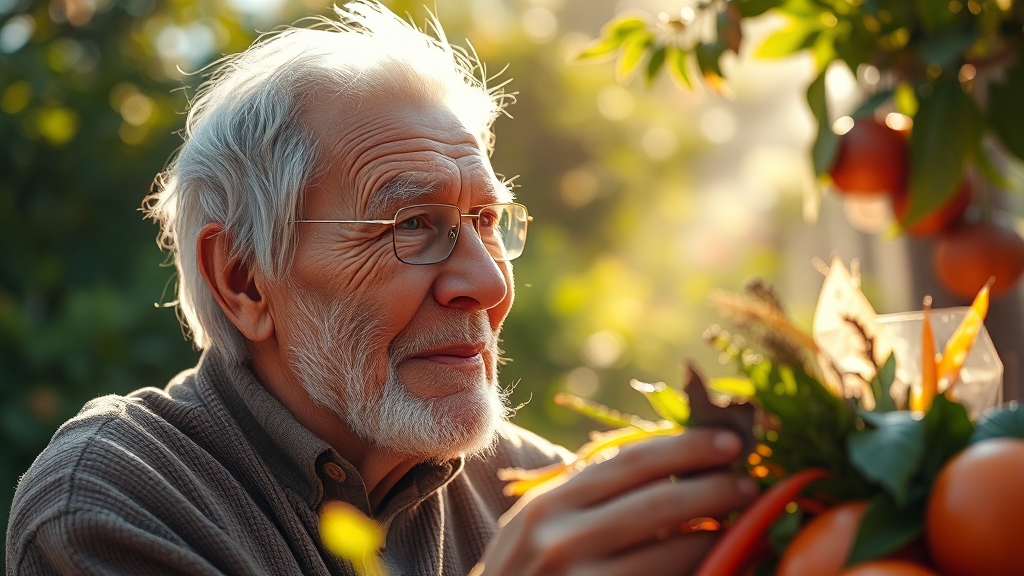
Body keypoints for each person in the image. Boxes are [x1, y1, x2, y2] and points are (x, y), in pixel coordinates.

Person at [5, 2, 757, 574]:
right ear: (243, 279)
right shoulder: (115, 500)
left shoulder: (532, 486)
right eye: (413, 225)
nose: (487, 283)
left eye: (486, 220)